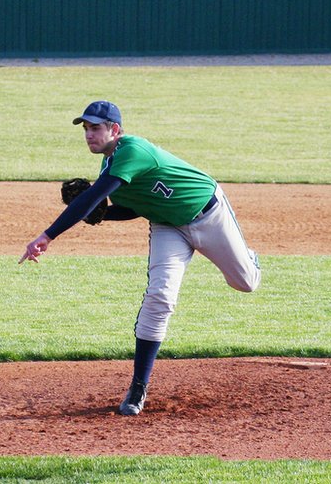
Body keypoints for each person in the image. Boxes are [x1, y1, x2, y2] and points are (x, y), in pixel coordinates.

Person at [19, 101, 261, 416]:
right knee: (160, 297)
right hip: (167, 226)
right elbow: (134, 207)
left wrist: (48, 235)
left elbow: (93, 196)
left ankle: (248, 258)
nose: (89, 134)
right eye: (86, 128)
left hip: (208, 213)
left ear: (115, 130)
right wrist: (102, 216)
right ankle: (138, 387)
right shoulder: (109, 168)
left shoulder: (133, 151)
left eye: (96, 128)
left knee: (245, 283)